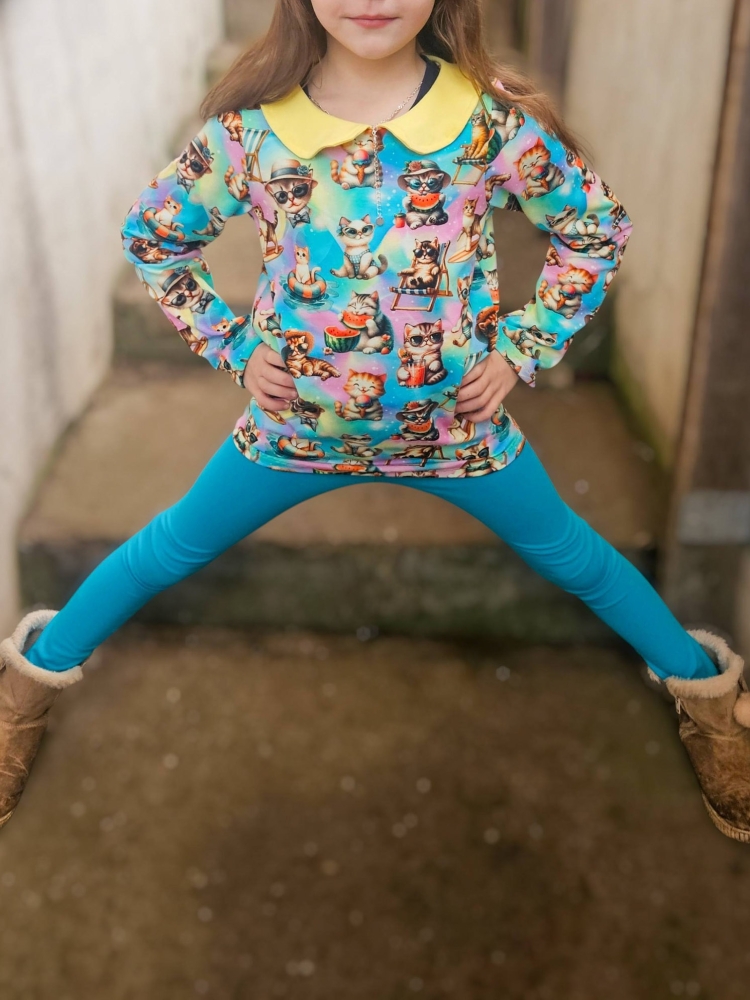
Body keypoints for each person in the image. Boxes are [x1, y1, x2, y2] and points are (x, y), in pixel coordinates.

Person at [1, 0, 749, 841]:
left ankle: (712, 706)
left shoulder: (487, 122)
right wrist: (233, 344)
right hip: (292, 436)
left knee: (582, 561)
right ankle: (22, 698)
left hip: (459, 439)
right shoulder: (252, 133)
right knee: (165, 550)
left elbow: (595, 227)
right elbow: (155, 235)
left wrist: (523, 347)